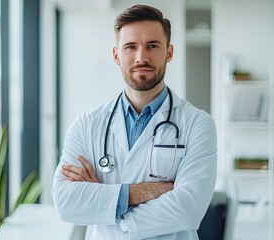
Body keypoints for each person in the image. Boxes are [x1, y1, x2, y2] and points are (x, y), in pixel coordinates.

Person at [52, 4, 217, 240]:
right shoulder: (86, 125)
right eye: (131, 47)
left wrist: (105, 203)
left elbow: (188, 209)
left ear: (169, 52)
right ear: (116, 54)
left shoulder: (198, 124)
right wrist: (138, 193)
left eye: (152, 46)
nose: (142, 57)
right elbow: (66, 202)